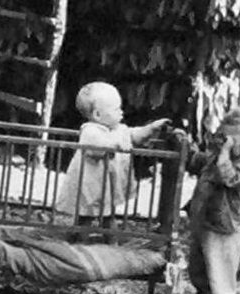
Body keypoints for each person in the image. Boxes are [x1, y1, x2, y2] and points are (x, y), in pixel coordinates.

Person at [54, 81, 170, 219]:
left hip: (108, 184)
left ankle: (109, 236)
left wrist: (151, 128)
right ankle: (81, 235)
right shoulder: (90, 130)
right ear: (97, 114)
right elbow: (96, 147)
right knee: (86, 214)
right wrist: (115, 145)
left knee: (109, 214)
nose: (121, 111)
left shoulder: (119, 128)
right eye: (116, 109)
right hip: (91, 186)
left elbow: (134, 135)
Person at [185, 106, 240, 294]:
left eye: (228, 140)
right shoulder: (216, 158)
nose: (222, 143)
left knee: (220, 277)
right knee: (199, 269)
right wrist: (187, 146)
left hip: (224, 229)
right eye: (221, 137)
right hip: (206, 222)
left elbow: (224, 175)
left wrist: (225, 152)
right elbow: (197, 161)